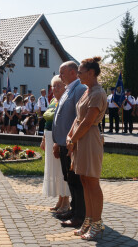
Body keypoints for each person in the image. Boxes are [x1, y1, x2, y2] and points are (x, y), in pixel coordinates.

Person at [66, 56, 107, 240]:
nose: (79, 75)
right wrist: (70, 135)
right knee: (83, 179)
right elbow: (78, 118)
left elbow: (88, 121)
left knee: (92, 182)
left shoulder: (97, 93)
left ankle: (97, 224)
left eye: (81, 72)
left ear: (91, 73)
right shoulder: (87, 91)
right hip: (80, 139)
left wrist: (73, 139)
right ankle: (89, 220)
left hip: (88, 139)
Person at [52, 61, 87, 228]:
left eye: (62, 72)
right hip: (64, 142)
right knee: (69, 178)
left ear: (73, 72)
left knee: (75, 180)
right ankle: (74, 210)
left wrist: (71, 139)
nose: (60, 76)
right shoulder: (68, 90)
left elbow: (79, 118)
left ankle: (80, 215)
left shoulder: (79, 89)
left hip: (72, 143)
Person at [41, 75, 70, 213]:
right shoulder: (53, 100)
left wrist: (58, 142)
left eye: (59, 85)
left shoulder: (66, 101)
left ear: (65, 87)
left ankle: (66, 201)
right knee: (55, 171)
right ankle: (60, 199)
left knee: (62, 170)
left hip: (59, 140)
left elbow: (64, 124)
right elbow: (47, 122)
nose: (56, 88)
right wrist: (43, 139)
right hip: (49, 138)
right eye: (54, 86)